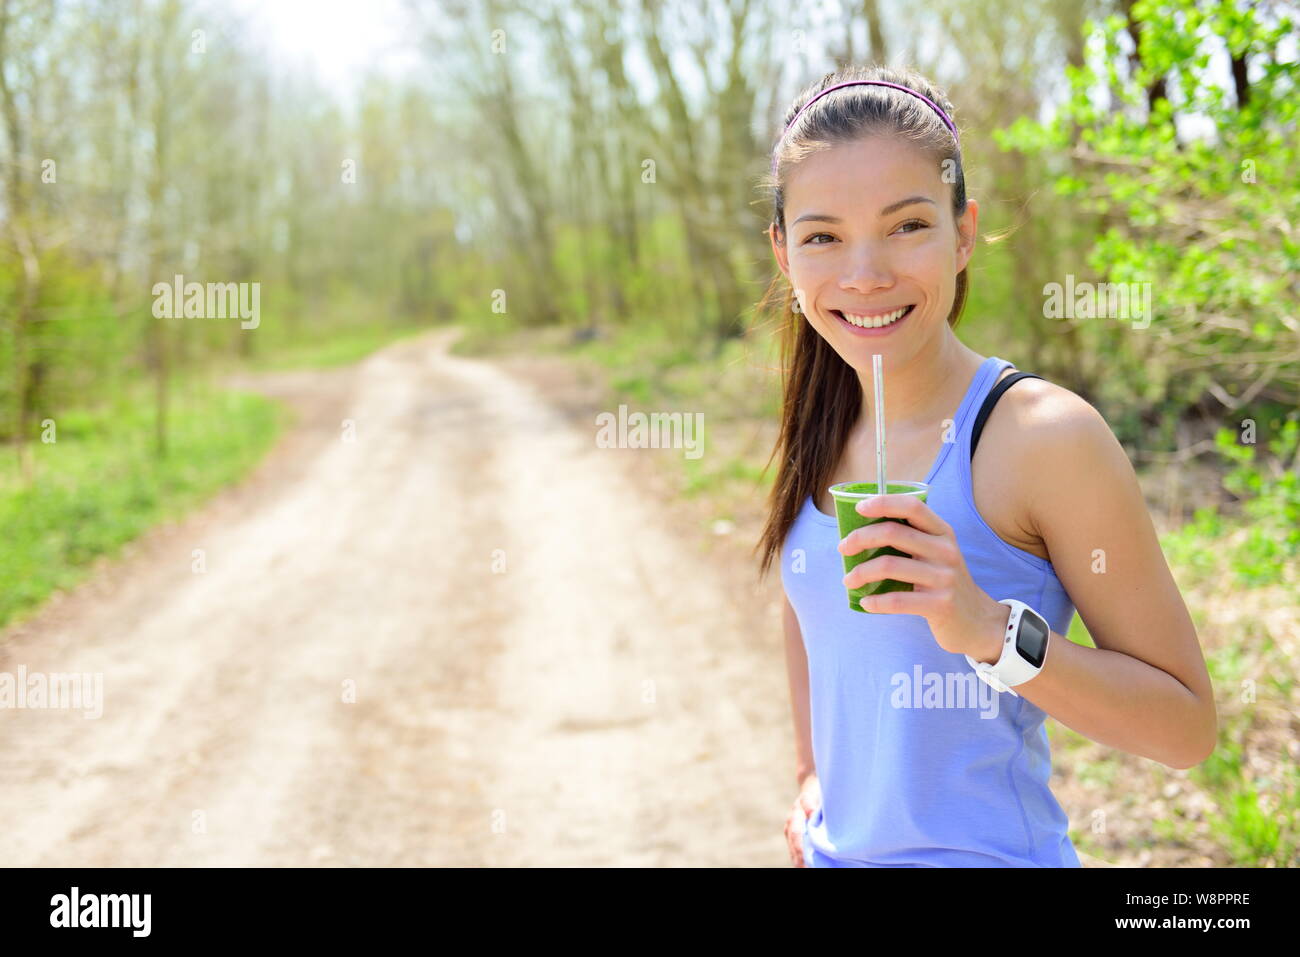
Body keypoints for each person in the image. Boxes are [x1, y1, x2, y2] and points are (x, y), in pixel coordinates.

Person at [751, 64, 1217, 867]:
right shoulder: (825, 420)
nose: (865, 273)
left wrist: (988, 630)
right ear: (784, 254)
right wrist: (812, 771)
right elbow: (809, 606)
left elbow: (1185, 728)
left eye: (906, 226)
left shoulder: (1042, 437)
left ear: (964, 233)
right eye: (823, 235)